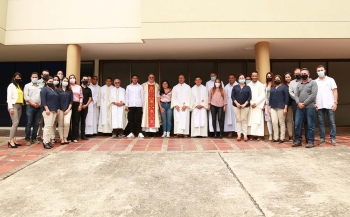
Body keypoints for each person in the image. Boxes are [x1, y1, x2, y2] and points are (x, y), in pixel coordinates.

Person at [293, 68, 318, 148]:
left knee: (310, 125)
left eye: (305, 73)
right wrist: (298, 103)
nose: (303, 75)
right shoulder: (299, 84)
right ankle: (298, 140)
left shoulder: (313, 83)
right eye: (302, 73)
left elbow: (313, 95)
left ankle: (310, 141)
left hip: (310, 107)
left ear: (309, 74)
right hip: (299, 107)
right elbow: (296, 95)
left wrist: (304, 103)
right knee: (297, 124)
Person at [315, 65, 338, 145]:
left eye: (321, 70)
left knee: (332, 122)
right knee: (321, 122)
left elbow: (335, 91)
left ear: (324, 70)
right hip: (319, 105)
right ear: (316, 72)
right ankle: (322, 138)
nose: (320, 71)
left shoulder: (330, 80)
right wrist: (315, 104)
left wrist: (335, 103)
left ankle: (333, 138)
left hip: (330, 104)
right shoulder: (315, 82)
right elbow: (313, 94)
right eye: (318, 70)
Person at [268, 75, 289, 143]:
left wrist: (285, 108)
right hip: (273, 107)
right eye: (275, 79)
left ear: (280, 80)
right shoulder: (272, 88)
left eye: (278, 79)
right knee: (274, 122)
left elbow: (286, 98)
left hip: (281, 107)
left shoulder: (284, 87)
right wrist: (269, 107)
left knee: (281, 123)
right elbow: (270, 98)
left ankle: (282, 138)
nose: (277, 80)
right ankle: (276, 137)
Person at [40, 76, 59, 149]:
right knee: (47, 126)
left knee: (51, 126)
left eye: (52, 81)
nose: (51, 82)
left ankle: (48, 141)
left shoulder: (53, 90)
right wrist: (46, 109)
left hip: (54, 110)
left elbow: (56, 100)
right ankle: (45, 142)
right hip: (48, 110)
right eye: (49, 81)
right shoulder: (44, 90)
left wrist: (57, 109)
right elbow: (43, 100)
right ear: (46, 82)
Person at [23, 72, 42, 146]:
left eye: (36, 77)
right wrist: (33, 104)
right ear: (31, 78)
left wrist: (39, 104)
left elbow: (42, 97)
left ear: (38, 78)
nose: (34, 78)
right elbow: (26, 97)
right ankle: (27, 139)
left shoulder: (40, 86)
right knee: (29, 123)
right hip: (30, 106)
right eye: (33, 77)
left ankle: (34, 138)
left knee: (36, 123)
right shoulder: (27, 86)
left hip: (38, 106)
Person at [289, 68, 307, 141]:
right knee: (297, 121)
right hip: (295, 103)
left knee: (306, 120)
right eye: (296, 73)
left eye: (299, 73)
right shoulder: (292, 83)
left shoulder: (305, 81)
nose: (297, 74)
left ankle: (307, 137)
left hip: (306, 103)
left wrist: (304, 101)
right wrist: (298, 100)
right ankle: (297, 137)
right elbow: (291, 92)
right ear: (294, 74)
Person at [232, 74, 251, 142]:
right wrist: (237, 103)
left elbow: (249, 97)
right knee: (238, 120)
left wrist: (244, 104)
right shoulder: (235, 87)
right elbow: (232, 96)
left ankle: (245, 135)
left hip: (245, 106)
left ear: (245, 79)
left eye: (243, 78)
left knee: (244, 120)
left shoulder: (248, 87)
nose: (241, 79)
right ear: (238, 79)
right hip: (236, 106)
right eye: (240, 78)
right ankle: (239, 135)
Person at [6, 72, 24, 148]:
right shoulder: (11, 86)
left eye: (19, 77)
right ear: (14, 78)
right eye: (17, 77)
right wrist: (10, 108)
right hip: (14, 105)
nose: (18, 79)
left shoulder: (19, 86)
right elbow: (9, 98)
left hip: (20, 105)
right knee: (15, 122)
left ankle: (14, 139)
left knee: (17, 123)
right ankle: (10, 141)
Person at [247, 71, 265, 140]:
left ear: (257, 76)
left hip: (258, 106)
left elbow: (262, 95)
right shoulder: (248, 85)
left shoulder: (261, 85)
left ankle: (259, 135)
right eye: (253, 76)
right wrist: (251, 103)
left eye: (255, 76)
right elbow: (248, 95)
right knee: (251, 120)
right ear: (251, 76)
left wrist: (256, 103)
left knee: (258, 121)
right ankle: (252, 135)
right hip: (251, 105)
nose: (254, 77)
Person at [55, 77, 72, 145]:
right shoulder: (57, 90)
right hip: (60, 109)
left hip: (68, 109)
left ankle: (65, 137)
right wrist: (58, 109)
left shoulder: (70, 90)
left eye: (67, 81)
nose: (65, 82)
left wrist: (68, 109)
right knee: (60, 124)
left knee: (67, 123)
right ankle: (61, 138)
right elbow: (56, 100)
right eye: (64, 81)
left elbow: (71, 101)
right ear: (61, 82)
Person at [67, 74, 83, 143]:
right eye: (71, 78)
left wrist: (80, 104)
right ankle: (68, 136)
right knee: (68, 121)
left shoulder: (79, 87)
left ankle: (75, 137)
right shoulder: (67, 87)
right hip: (68, 104)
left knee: (75, 121)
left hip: (76, 104)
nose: (72, 79)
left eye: (73, 78)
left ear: (75, 79)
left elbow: (81, 96)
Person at [37, 69, 50, 140]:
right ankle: (38, 135)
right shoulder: (38, 82)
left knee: (47, 122)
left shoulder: (50, 82)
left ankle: (46, 136)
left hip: (48, 104)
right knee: (39, 121)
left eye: (47, 75)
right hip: (39, 104)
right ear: (41, 75)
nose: (46, 76)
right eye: (44, 75)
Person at [80, 76, 92, 140]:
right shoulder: (79, 88)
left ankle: (83, 134)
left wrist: (86, 105)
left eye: (86, 79)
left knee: (83, 121)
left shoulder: (89, 89)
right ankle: (76, 135)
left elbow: (90, 98)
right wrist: (80, 104)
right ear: (81, 80)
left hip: (85, 106)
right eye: (84, 79)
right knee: (76, 120)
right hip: (79, 106)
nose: (85, 80)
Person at [50, 75, 60, 143]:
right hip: (51, 108)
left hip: (58, 108)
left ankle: (57, 137)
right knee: (51, 124)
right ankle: (52, 137)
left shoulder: (60, 89)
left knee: (57, 123)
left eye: (57, 80)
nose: (55, 81)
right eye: (54, 79)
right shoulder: (50, 89)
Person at [264, 72, 274, 141]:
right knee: (268, 120)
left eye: (270, 76)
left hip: (274, 103)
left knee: (275, 120)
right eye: (268, 76)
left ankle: (276, 134)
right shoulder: (264, 85)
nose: (269, 77)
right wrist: (263, 104)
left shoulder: (275, 84)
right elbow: (263, 96)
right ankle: (270, 134)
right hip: (267, 104)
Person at [284, 72, 294, 141]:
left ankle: (293, 135)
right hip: (286, 106)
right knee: (286, 120)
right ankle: (287, 135)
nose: (287, 78)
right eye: (286, 77)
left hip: (293, 104)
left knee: (292, 120)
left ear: (291, 77)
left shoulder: (294, 84)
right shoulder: (283, 86)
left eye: (289, 77)